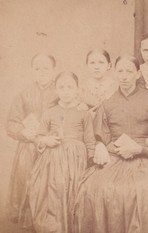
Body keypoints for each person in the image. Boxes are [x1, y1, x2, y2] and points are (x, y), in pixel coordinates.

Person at [73, 55, 148, 233]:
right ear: (115, 73)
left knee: (145, 188)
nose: (124, 76)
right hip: (115, 158)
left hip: (146, 158)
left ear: (138, 73)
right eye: (120, 71)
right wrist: (102, 145)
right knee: (95, 187)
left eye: (129, 71)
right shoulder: (107, 104)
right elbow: (101, 138)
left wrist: (139, 149)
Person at [28, 72, 96, 233]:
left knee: (75, 193)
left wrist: (91, 163)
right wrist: (46, 140)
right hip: (52, 160)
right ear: (56, 90)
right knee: (53, 190)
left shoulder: (84, 113)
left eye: (70, 87)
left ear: (77, 89)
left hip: (76, 161)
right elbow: (38, 136)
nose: (65, 91)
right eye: (61, 87)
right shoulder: (49, 112)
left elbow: (90, 140)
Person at [6, 53, 58, 229]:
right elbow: (11, 123)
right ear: (32, 71)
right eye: (37, 68)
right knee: (26, 167)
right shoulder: (24, 94)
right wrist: (23, 132)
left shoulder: (60, 91)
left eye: (46, 68)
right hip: (29, 146)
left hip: (53, 144)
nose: (42, 72)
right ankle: (28, 217)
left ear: (54, 70)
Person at [79, 49, 117, 116]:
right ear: (87, 65)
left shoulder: (115, 87)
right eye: (92, 63)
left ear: (109, 65)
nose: (96, 67)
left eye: (101, 62)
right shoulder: (82, 87)